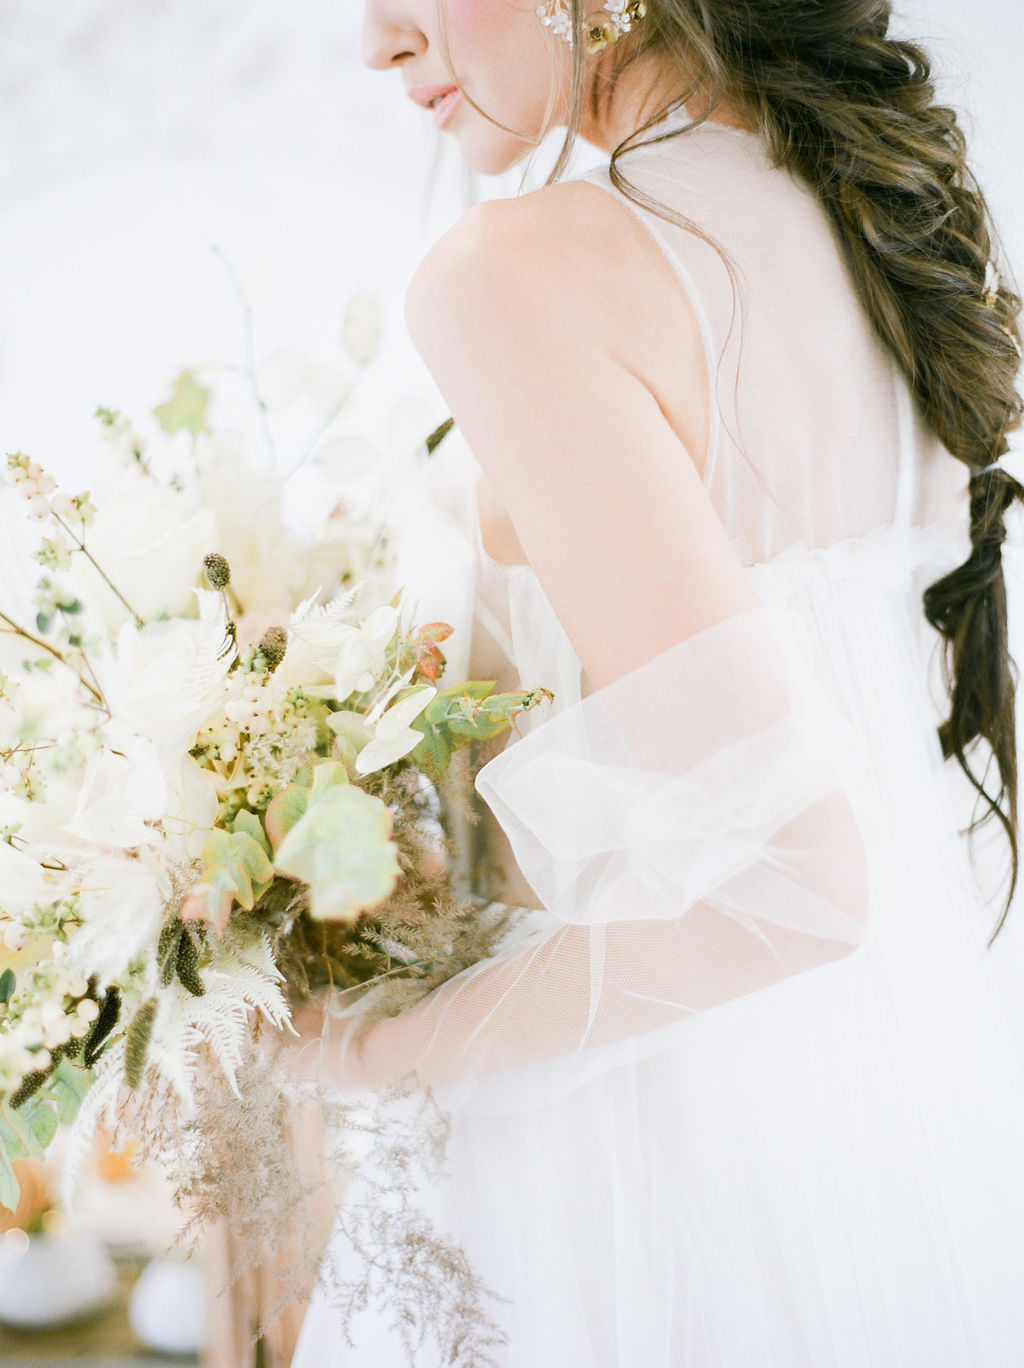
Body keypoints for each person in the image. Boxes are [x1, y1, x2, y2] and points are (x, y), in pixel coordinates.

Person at [291, 0, 1024, 1363]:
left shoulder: (515, 272)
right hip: (896, 1111)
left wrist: (366, 1047)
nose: (377, 42)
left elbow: (794, 884)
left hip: (645, 1162)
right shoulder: (868, 217)